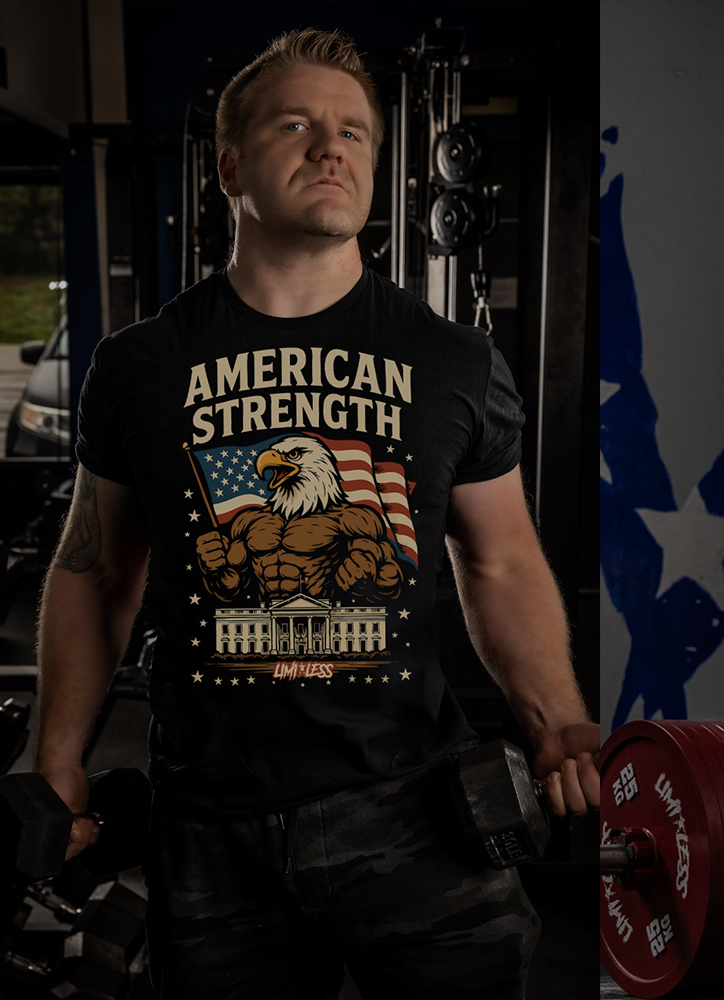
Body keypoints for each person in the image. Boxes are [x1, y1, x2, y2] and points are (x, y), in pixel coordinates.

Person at [34, 28, 600, 998]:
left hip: (412, 806)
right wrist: (55, 761)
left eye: (353, 132)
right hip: (211, 821)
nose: (329, 146)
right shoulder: (141, 366)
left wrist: (557, 722)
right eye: (295, 124)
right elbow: (94, 568)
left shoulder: (451, 360)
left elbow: (499, 561)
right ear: (228, 168)